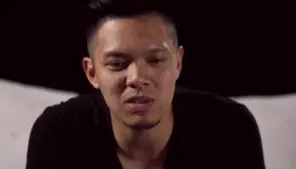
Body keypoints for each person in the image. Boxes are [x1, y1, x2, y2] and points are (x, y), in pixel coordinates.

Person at [25, 0, 266, 169]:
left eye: (156, 60)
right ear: (92, 72)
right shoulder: (58, 137)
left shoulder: (230, 130)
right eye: (118, 64)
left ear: (178, 63)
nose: (137, 78)